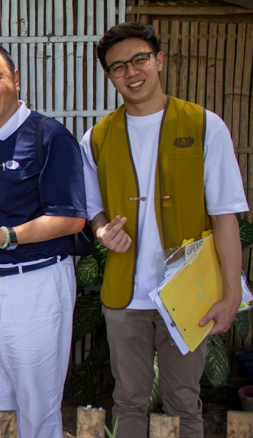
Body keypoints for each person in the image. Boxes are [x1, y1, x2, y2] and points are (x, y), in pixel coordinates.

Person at [80, 22, 248, 437]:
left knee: (183, 402)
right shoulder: (97, 137)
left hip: (188, 294)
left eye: (140, 59)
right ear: (109, 76)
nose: (131, 72)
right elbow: (92, 211)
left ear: (158, 60)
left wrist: (230, 296)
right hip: (124, 295)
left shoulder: (206, 125)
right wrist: (103, 232)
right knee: (128, 400)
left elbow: (226, 216)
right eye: (118, 67)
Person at [0, 42, 87, 438]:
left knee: (37, 402)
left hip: (36, 285)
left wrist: (9, 236)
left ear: (15, 79)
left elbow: (72, 218)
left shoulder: (49, 136)